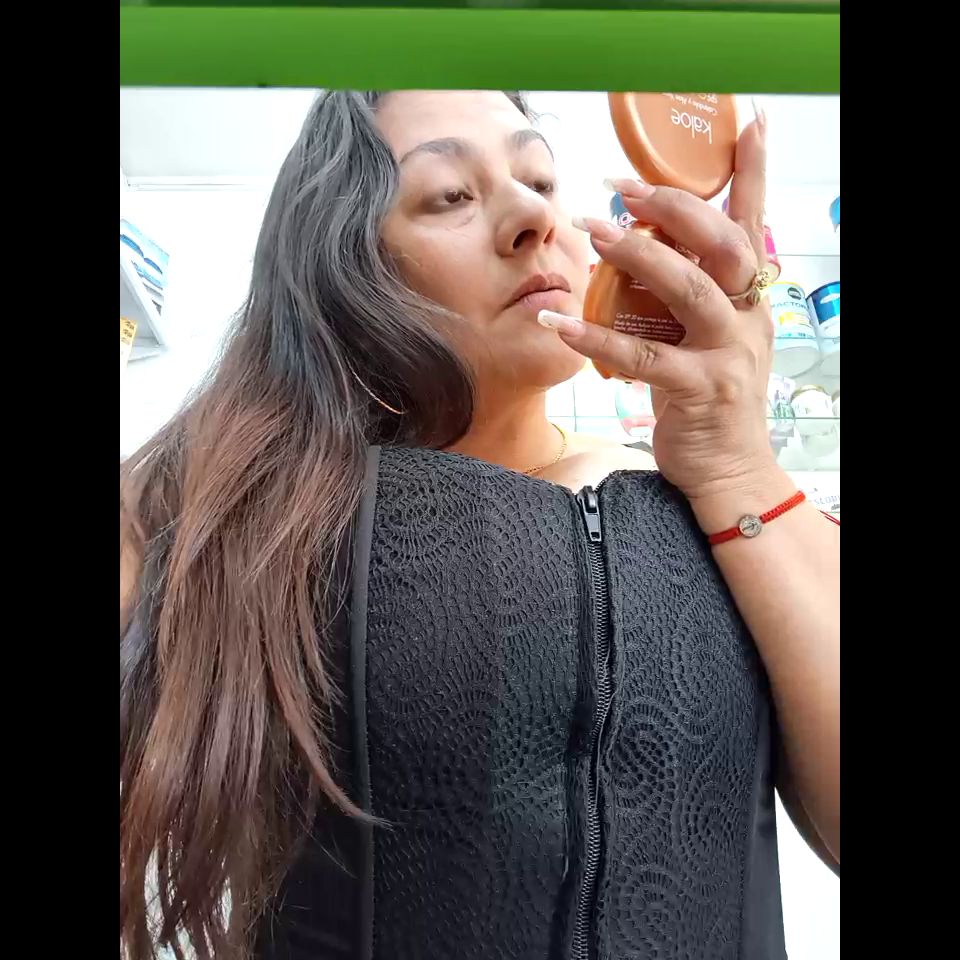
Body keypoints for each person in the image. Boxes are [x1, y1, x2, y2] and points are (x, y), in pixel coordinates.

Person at [120, 90, 839, 960]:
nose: (534, 216)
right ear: (344, 260)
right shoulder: (213, 509)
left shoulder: (716, 505)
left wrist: (738, 467)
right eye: (451, 195)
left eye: (541, 179)